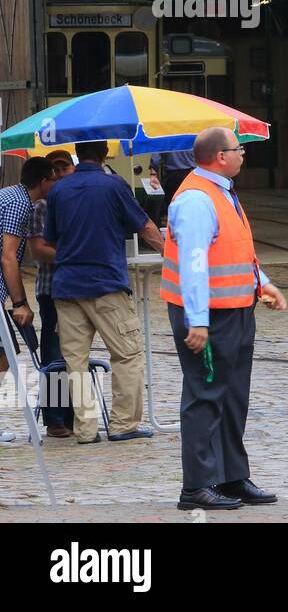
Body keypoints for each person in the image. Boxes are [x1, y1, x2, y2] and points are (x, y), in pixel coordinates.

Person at [162, 127, 287, 511]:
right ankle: (196, 486)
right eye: (238, 150)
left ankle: (231, 477)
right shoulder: (198, 199)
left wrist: (261, 283)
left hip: (233, 310)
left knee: (232, 396)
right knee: (205, 395)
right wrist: (197, 321)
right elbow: (194, 265)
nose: (243, 155)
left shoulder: (221, 191)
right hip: (209, 315)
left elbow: (233, 251)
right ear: (220, 156)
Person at [43, 141, 165, 445]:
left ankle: (85, 430)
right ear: (103, 155)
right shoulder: (114, 185)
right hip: (106, 284)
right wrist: (173, 255)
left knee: (75, 362)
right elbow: (145, 226)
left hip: (67, 286)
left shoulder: (58, 190)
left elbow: (51, 237)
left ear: (78, 153)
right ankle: (123, 424)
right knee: (127, 354)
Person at [0, 157, 56, 442]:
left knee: (3, 356)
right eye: (54, 179)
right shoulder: (21, 204)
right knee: (3, 356)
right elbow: (8, 255)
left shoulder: (11, 195)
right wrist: (19, 302)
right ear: (43, 181)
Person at [27, 150, 76, 437]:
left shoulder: (75, 200)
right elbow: (39, 250)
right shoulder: (42, 206)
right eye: (54, 169)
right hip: (53, 287)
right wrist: (75, 255)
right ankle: (56, 417)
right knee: (56, 353)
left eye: (64, 167)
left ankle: (76, 415)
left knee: (76, 354)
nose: (59, 174)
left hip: (79, 288)